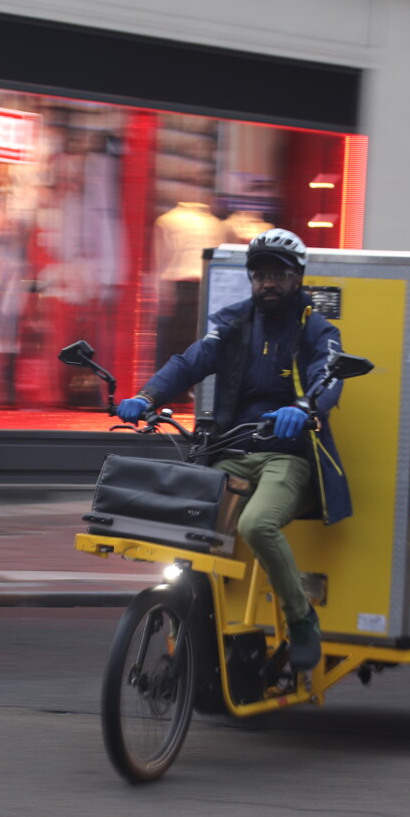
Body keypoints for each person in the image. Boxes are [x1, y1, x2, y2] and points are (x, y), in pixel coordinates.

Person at [116, 228, 351, 671]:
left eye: (278, 275)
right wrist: (147, 397)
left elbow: (330, 374)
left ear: (297, 278)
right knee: (186, 524)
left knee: (257, 524)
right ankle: (182, 630)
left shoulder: (316, 328)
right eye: (260, 274)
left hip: (289, 456)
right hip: (230, 450)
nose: (268, 283)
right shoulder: (231, 324)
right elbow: (189, 363)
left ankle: (302, 621)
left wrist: (305, 407)